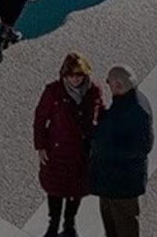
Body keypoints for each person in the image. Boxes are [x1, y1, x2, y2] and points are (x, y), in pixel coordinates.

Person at [33, 52, 104, 237]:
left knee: (76, 189)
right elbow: (40, 119)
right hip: (58, 150)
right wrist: (40, 146)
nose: (74, 79)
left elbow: (100, 111)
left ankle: (70, 223)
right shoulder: (53, 91)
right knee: (55, 189)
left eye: (79, 74)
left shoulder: (94, 90)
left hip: (82, 152)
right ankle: (53, 223)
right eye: (70, 74)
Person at [88, 64, 153, 237]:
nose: (109, 87)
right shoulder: (129, 102)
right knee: (111, 222)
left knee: (125, 226)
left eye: (109, 84)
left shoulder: (137, 110)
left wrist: (103, 146)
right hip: (112, 181)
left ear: (119, 86)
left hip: (122, 184)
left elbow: (142, 147)